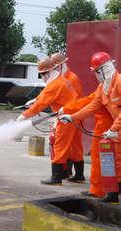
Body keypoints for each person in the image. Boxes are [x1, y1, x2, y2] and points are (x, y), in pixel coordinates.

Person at [59, 51, 121, 203]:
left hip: (117, 129)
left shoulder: (119, 82)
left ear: (103, 69)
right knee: (115, 162)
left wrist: (114, 129)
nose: (96, 75)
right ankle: (112, 194)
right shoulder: (103, 88)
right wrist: (72, 117)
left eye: (96, 71)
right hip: (117, 130)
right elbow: (91, 107)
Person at [17, 57, 78, 185]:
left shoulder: (55, 84)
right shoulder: (60, 79)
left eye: (41, 75)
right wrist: (35, 99)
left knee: (59, 146)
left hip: (66, 118)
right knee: (66, 146)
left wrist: (24, 116)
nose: (42, 78)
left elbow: (43, 103)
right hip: (71, 115)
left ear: (47, 73)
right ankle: (65, 173)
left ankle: (56, 178)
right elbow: (45, 94)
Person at [51, 53, 85, 182]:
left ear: (60, 65)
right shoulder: (68, 77)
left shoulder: (70, 79)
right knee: (76, 146)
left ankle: (57, 176)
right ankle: (79, 175)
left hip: (68, 116)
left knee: (60, 144)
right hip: (75, 115)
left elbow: (73, 100)